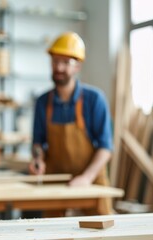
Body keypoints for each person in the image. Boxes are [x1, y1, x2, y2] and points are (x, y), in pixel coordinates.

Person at [28, 31, 114, 217]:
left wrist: (87, 177)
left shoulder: (94, 99)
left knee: (103, 231)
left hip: (91, 177)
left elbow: (105, 148)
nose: (59, 67)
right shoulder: (43, 102)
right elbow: (38, 143)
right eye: (55, 61)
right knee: (51, 231)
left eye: (66, 62)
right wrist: (37, 160)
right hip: (57, 179)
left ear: (78, 66)